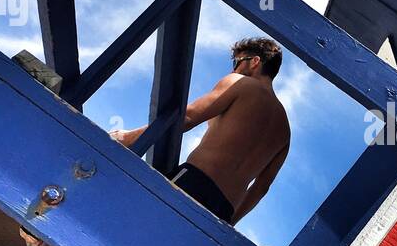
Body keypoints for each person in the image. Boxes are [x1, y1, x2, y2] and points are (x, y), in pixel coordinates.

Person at [112, 38, 290, 225]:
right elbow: (261, 188)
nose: (233, 70)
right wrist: (228, 223)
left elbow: (188, 117)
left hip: (193, 183)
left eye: (236, 62)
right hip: (223, 210)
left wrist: (128, 137)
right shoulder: (285, 131)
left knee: (137, 226)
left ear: (255, 61)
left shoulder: (240, 83)